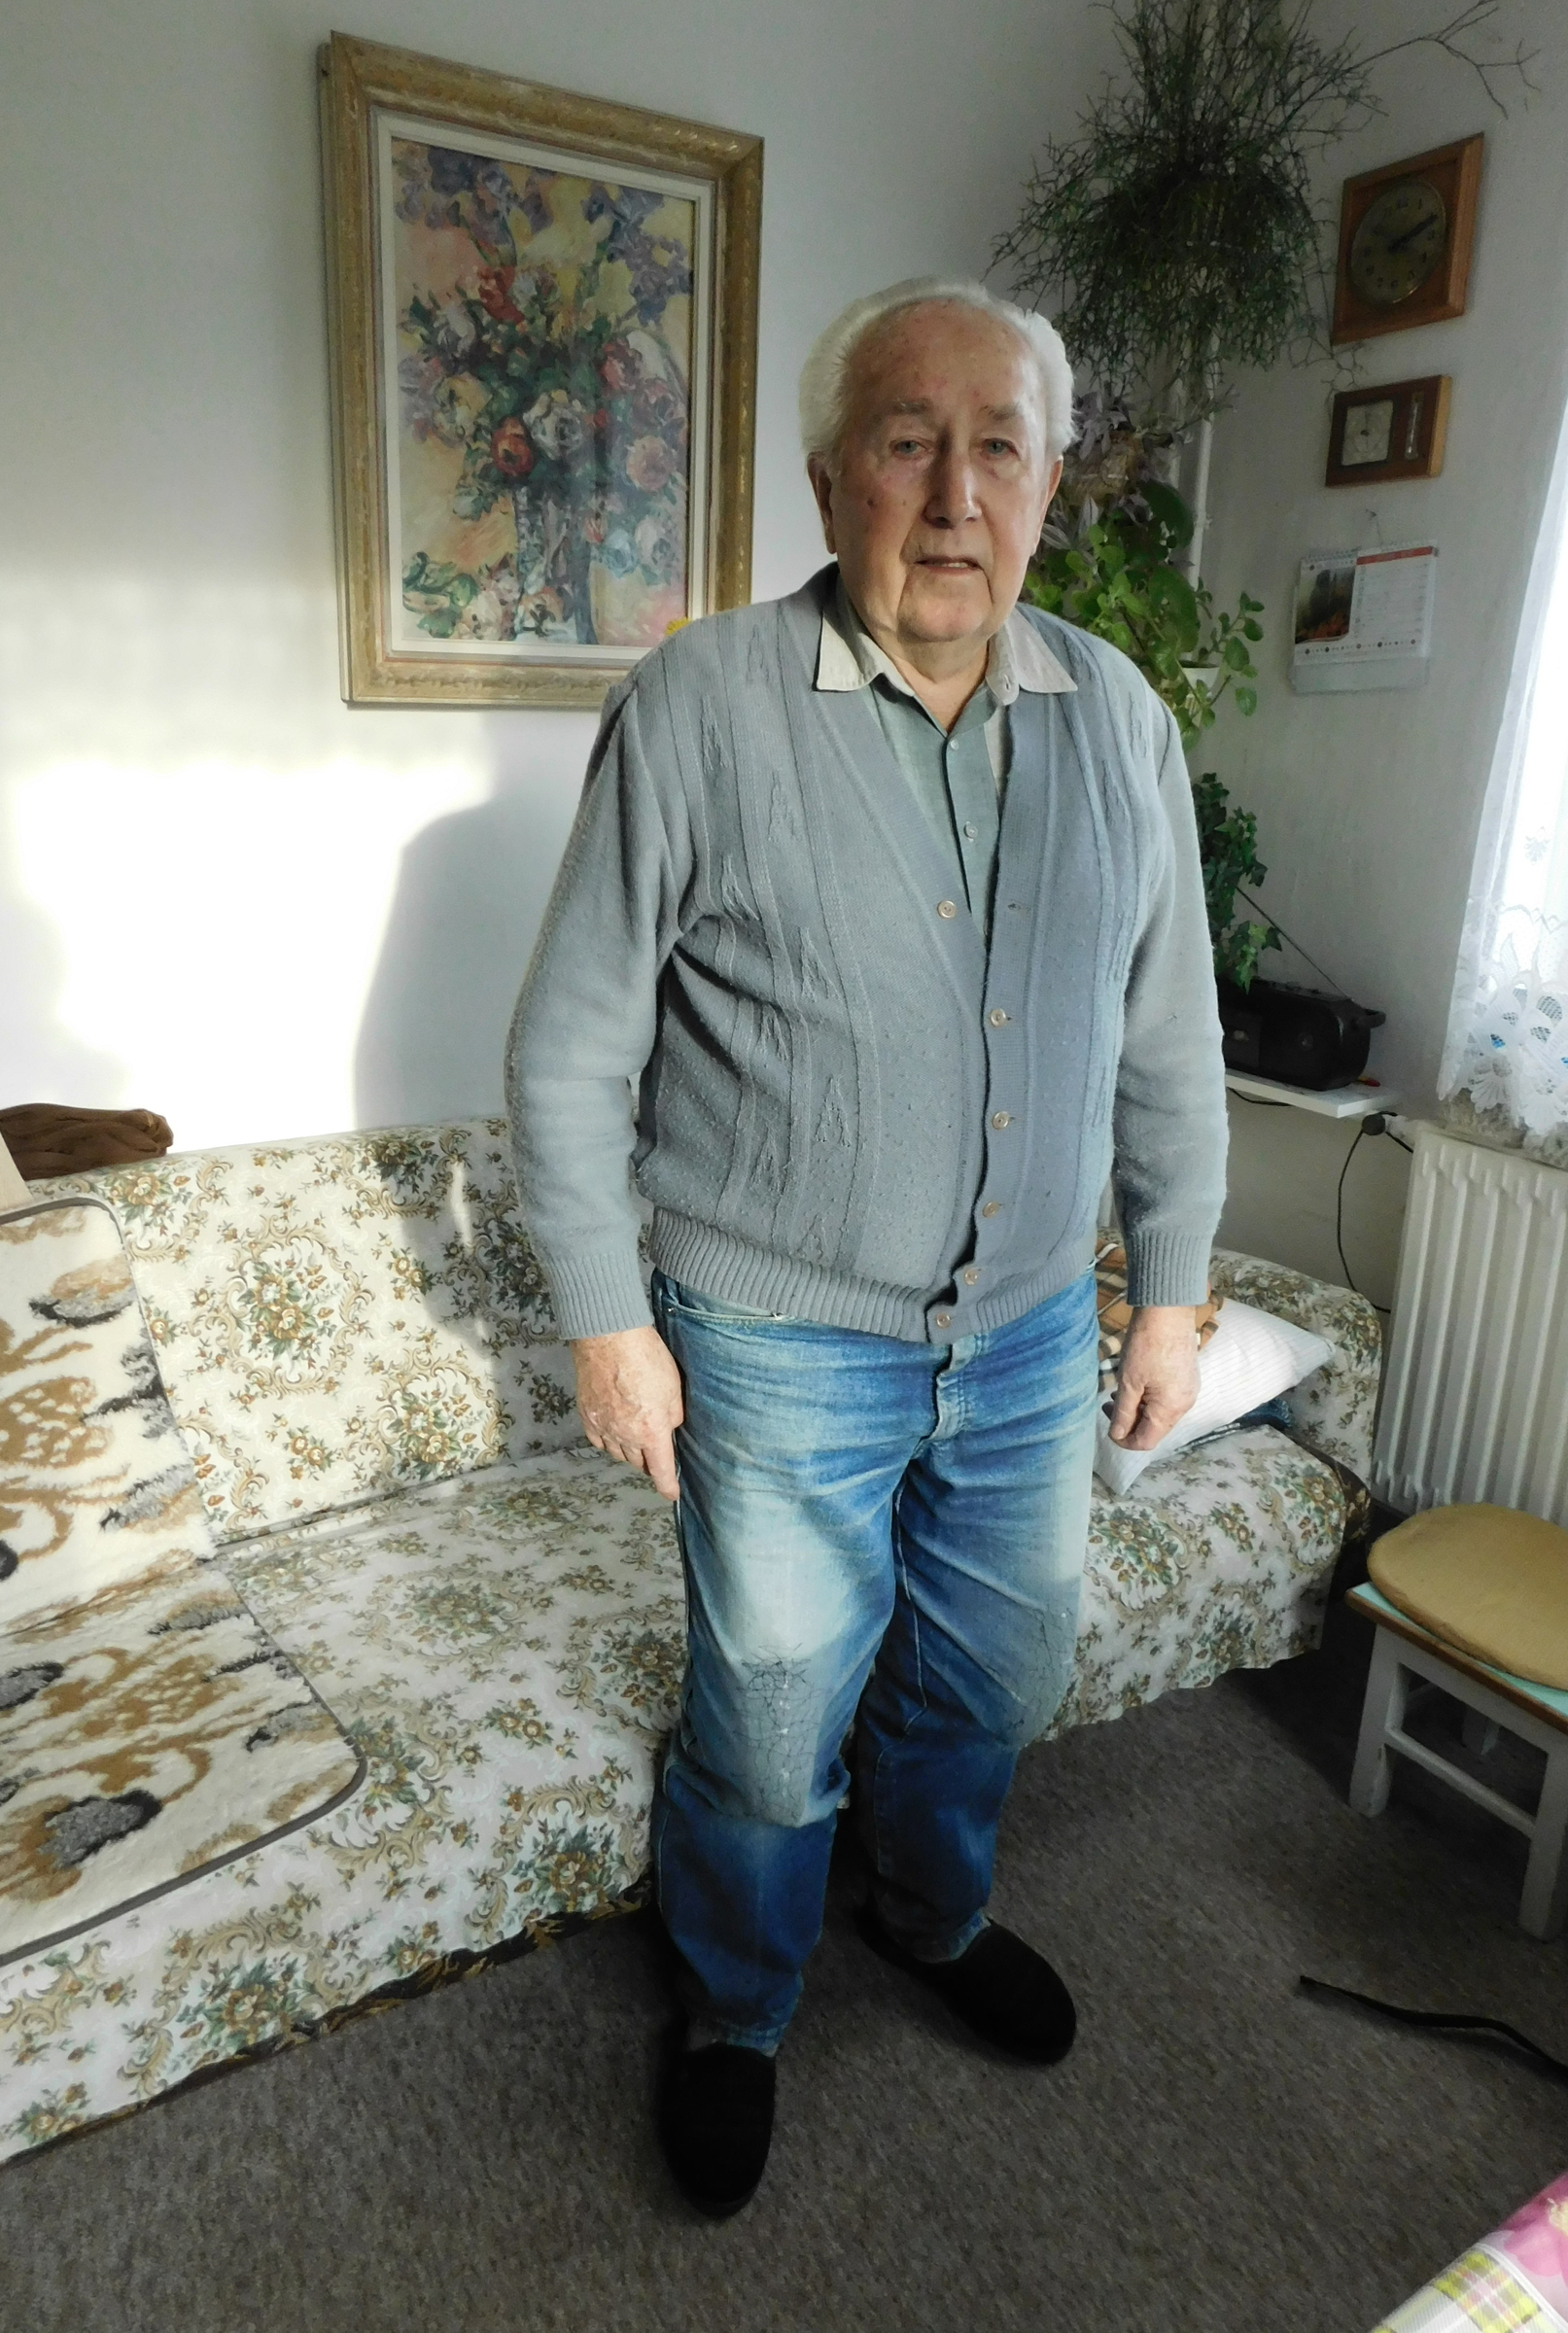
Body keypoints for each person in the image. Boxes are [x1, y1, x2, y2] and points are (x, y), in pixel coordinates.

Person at [507, 277, 1227, 2217]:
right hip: (771, 1333)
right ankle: (738, 2003)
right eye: (910, 443)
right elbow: (570, 1048)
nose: (955, 493)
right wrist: (606, 1322)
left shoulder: (1120, 720)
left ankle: (928, 1909)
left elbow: (1168, 1039)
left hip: (1028, 1332)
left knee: (999, 1671)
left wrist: (1170, 1289)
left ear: (1052, 483)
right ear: (831, 481)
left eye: (1000, 447)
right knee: (769, 1713)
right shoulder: (703, 703)